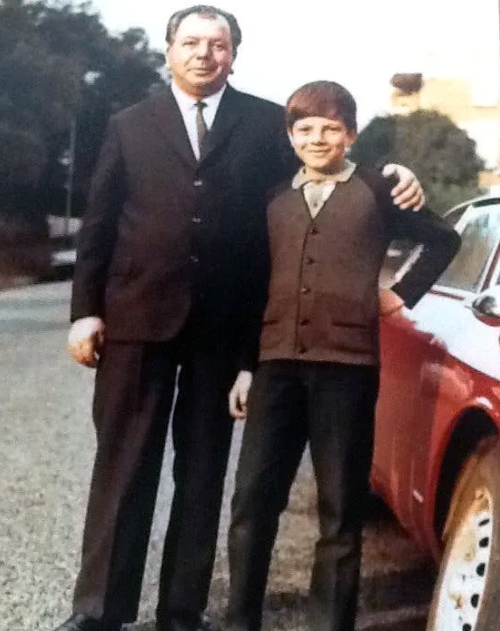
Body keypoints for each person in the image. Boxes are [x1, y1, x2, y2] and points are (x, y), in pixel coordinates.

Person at [54, 5, 425, 631]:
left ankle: (182, 610)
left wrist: (397, 175)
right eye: (191, 42)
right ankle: (98, 609)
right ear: (169, 50)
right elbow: (98, 225)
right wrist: (85, 311)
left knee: (202, 471)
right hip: (136, 318)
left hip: (222, 328)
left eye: (218, 44)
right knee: (124, 464)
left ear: (234, 54)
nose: (204, 53)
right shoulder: (129, 125)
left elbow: (324, 166)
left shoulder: (265, 123)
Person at [225, 80, 461, 631]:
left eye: (331, 128)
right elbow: (252, 286)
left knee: (339, 507)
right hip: (275, 366)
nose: (317, 138)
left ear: (350, 135)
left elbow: (442, 240)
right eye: (305, 128)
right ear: (290, 136)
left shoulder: (377, 189)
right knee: (252, 501)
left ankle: (330, 623)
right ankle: (239, 620)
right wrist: (245, 367)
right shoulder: (272, 196)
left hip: (347, 370)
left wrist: (399, 294)